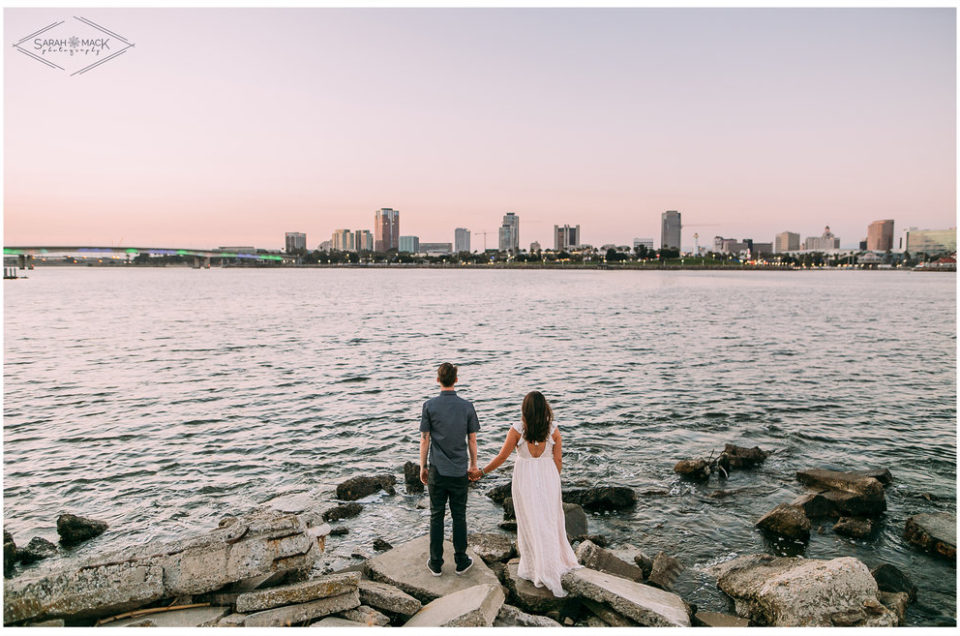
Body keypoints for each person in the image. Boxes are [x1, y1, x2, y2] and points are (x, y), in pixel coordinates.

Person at [469, 391, 579, 597]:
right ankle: (551, 563)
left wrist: (481, 472)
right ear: (545, 408)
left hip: (525, 479)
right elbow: (558, 461)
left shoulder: (517, 430)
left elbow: (502, 457)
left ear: (525, 409)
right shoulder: (553, 430)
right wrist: (553, 482)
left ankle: (535, 567)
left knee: (529, 520)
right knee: (548, 521)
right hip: (549, 477)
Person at [419, 362, 480, 576]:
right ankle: (461, 561)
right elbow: (472, 440)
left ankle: (436, 563)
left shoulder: (429, 406)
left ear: (438, 380)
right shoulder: (467, 406)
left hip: (437, 470)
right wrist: (473, 465)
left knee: (436, 515)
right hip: (458, 472)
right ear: (456, 380)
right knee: (459, 516)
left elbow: (425, 439)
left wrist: (422, 467)